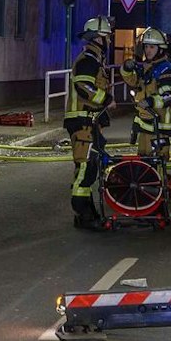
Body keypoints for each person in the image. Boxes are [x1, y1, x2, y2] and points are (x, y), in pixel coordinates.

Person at [65, 17, 116, 229]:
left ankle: (87, 213)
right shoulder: (88, 61)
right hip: (82, 121)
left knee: (90, 168)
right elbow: (84, 88)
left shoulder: (95, 60)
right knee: (86, 168)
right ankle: (84, 214)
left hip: (88, 121)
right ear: (98, 39)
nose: (110, 41)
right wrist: (106, 100)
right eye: (107, 37)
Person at [121, 28, 171, 155]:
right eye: (146, 47)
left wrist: (151, 101)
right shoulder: (147, 67)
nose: (148, 50)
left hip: (159, 129)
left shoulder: (165, 70)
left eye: (152, 47)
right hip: (145, 127)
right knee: (143, 167)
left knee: (156, 167)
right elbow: (132, 80)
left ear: (161, 49)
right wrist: (126, 68)